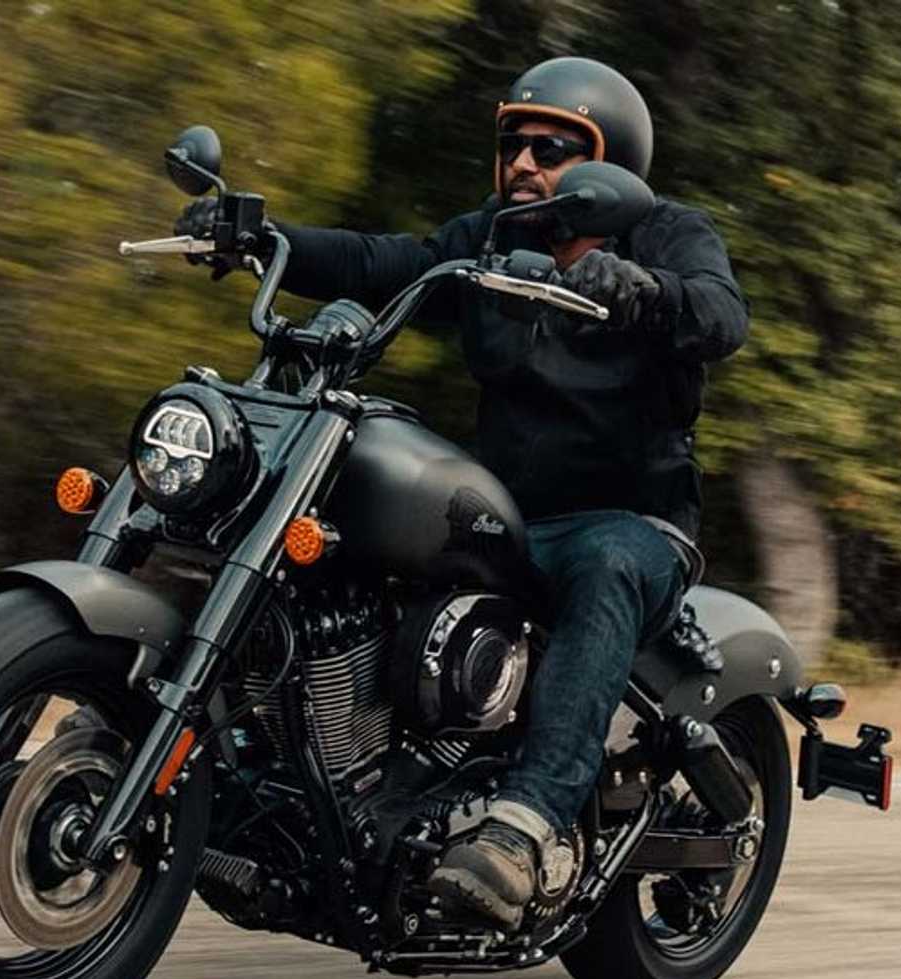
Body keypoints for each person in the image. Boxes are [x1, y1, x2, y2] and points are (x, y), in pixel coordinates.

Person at [176, 57, 748, 929]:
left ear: (609, 163)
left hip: (631, 523)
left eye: (551, 147)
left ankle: (523, 830)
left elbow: (721, 315)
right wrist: (261, 236)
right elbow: (383, 260)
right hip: (510, 522)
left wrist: (642, 293)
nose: (522, 162)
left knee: (604, 564)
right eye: (513, 143)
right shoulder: (488, 240)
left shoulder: (665, 234)